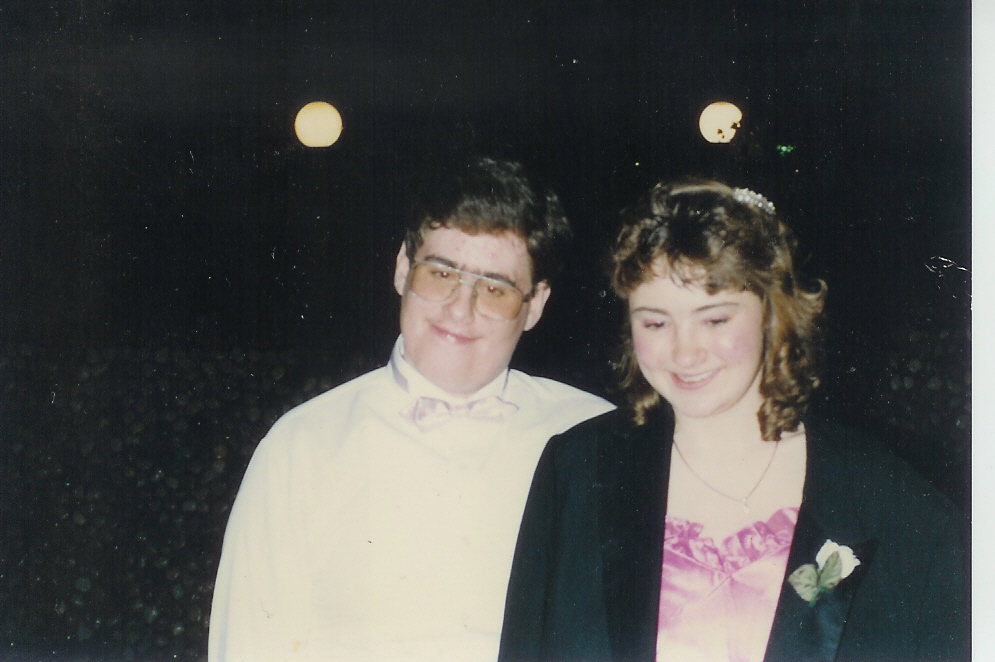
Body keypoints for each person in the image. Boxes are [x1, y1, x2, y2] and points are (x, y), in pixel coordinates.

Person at [498, 179, 968, 662]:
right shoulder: (576, 471)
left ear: (772, 312)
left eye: (715, 319)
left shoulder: (895, 506)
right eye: (655, 322)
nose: (684, 352)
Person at [209, 158, 614, 662]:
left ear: (534, 305)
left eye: (495, 289)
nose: (460, 309)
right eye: (441, 274)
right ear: (403, 267)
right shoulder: (303, 445)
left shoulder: (596, 438)